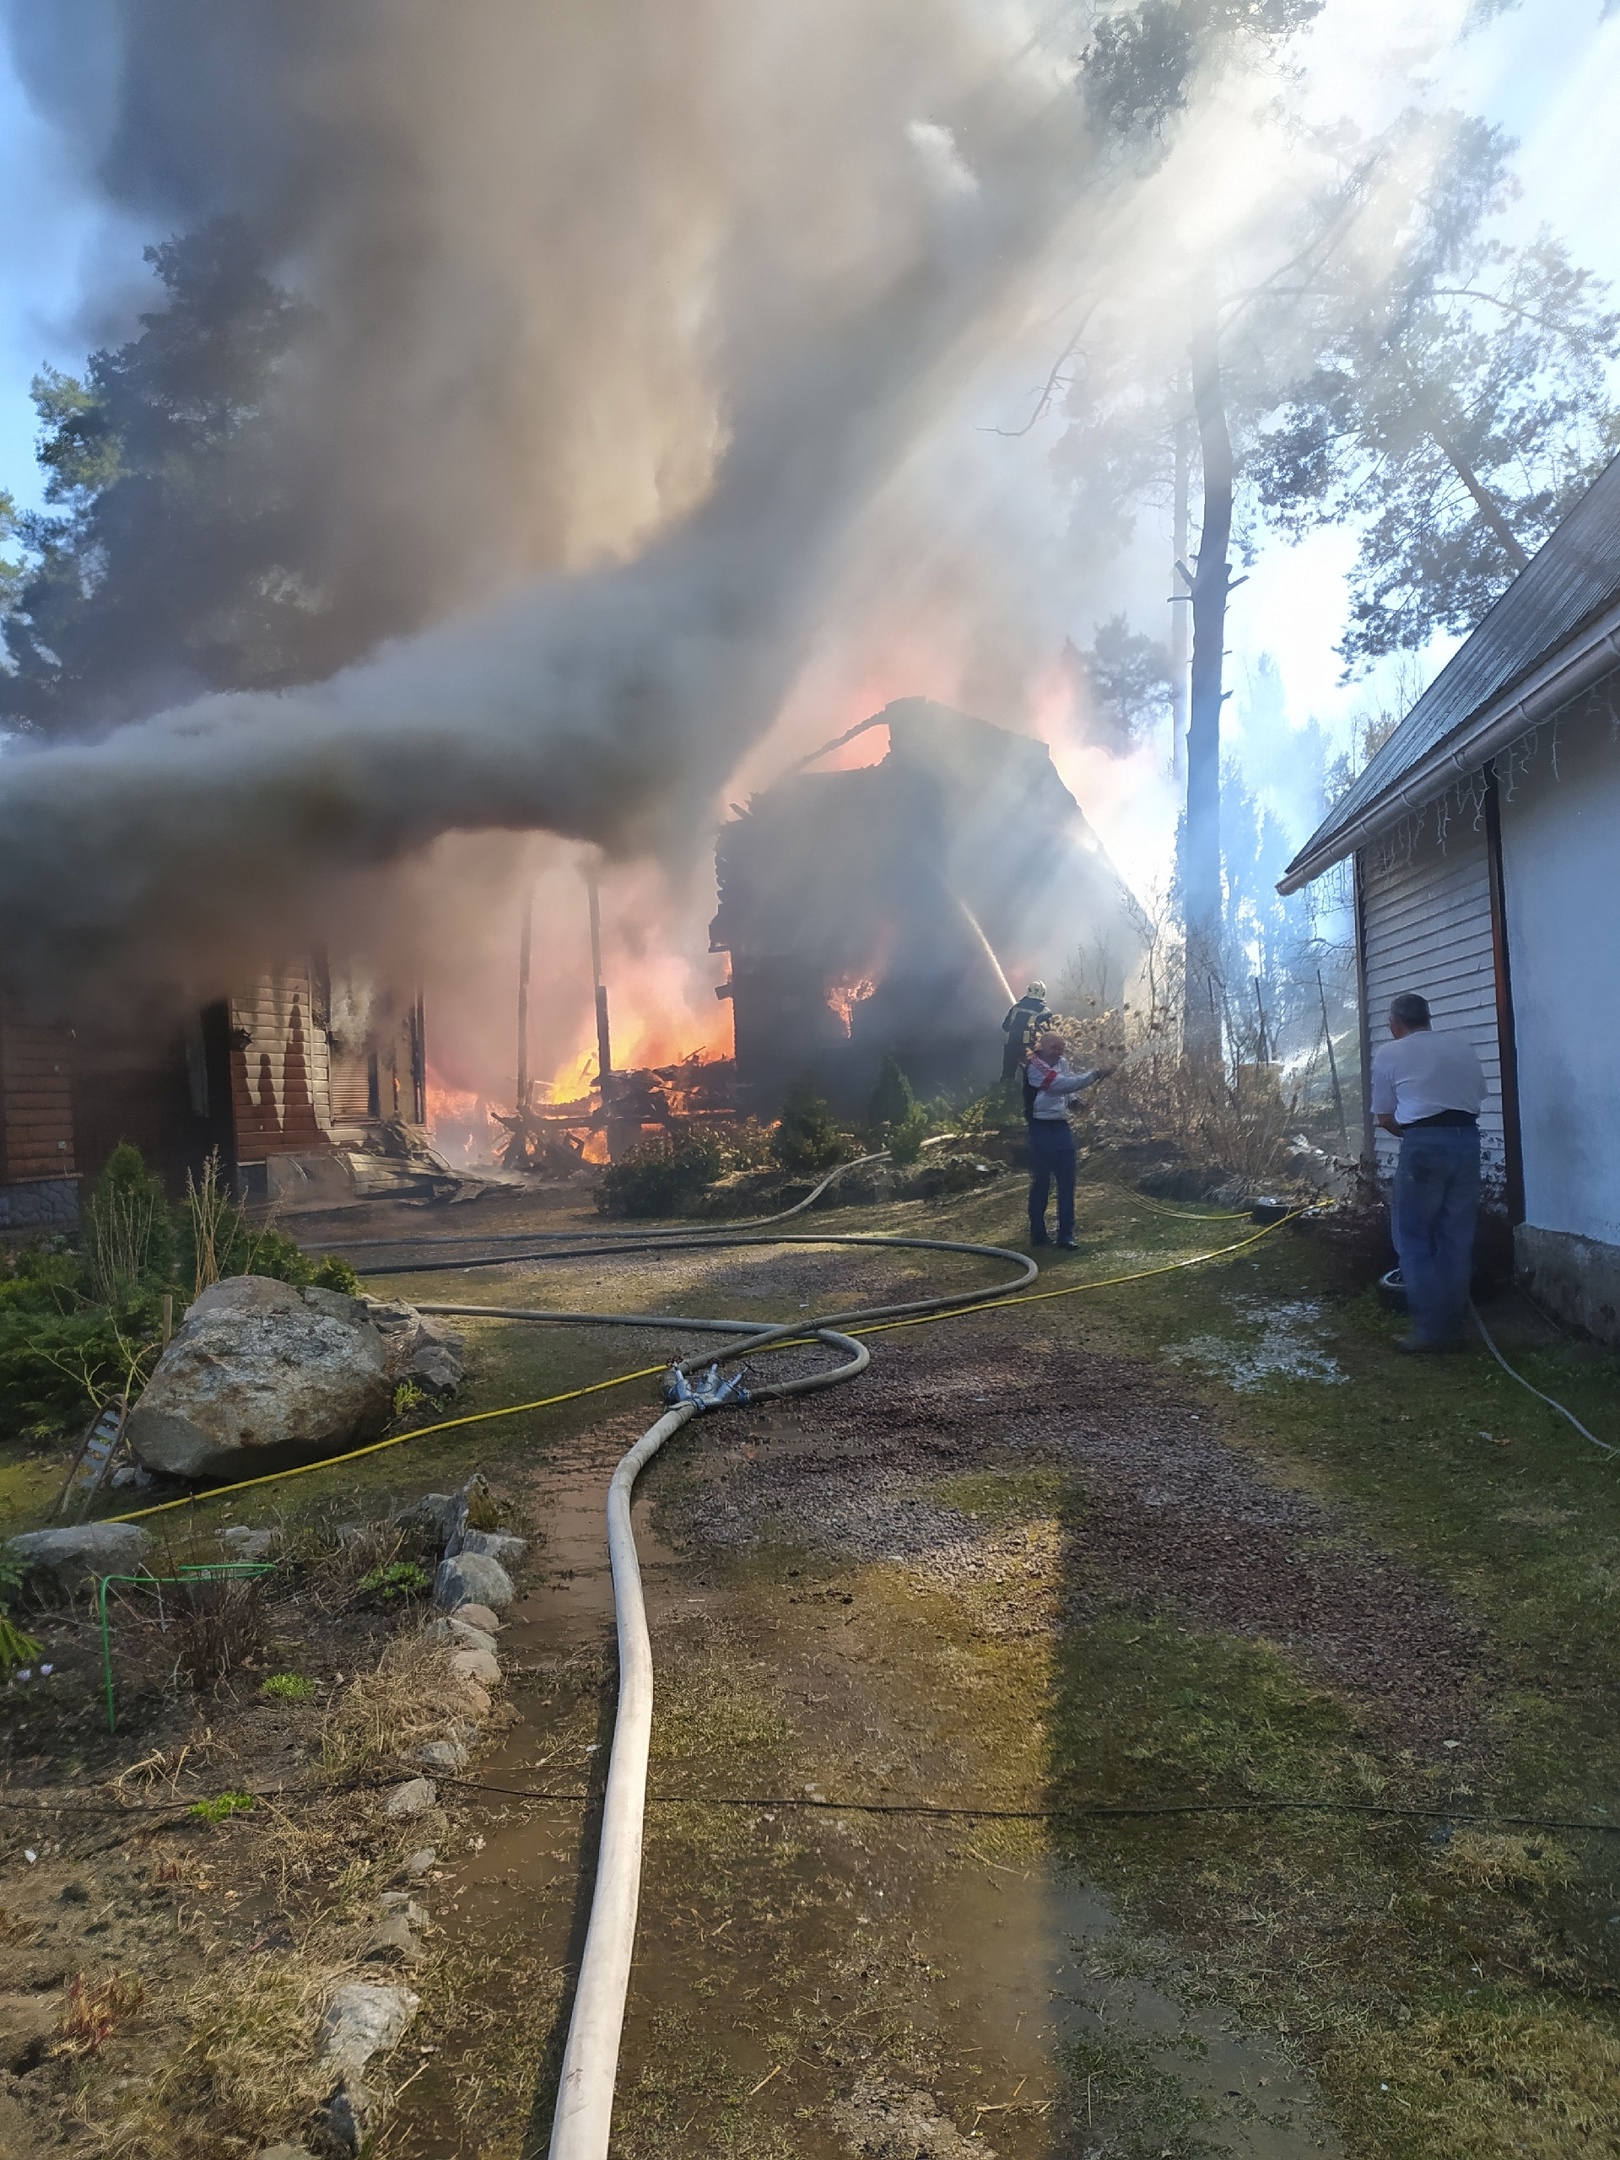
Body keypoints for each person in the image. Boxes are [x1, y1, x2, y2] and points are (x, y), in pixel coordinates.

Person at [1369, 990, 1485, 1353]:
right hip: (1467, 1142)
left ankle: (1433, 1333)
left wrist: (1420, 1137)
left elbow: (1385, 1118)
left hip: (1423, 1145)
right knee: (1455, 1238)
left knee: (1413, 1238)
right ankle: (1453, 1327)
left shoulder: (1390, 1053)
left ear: (1394, 1025)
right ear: (1428, 1019)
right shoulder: (1461, 1048)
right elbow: (1476, 1099)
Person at [1025, 1030, 1108, 1248]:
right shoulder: (1034, 1065)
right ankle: (1038, 1233)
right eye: (1054, 1047)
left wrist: (1076, 1104)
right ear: (1042, 1046)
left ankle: (1066, 1235)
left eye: (1061, 1047)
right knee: (1042, 1182)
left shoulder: (1062, 1062)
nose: (1059, 1052)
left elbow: (1068, 1090)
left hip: (1061, 1127)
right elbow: (1059, 1085)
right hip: (1040, 1128)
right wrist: (1095, 1074)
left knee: (1067, 1182)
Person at [1001, 980, 1052, 1094]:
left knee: (1007, 1076)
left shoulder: (1016, 1008)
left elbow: (1005, 1026)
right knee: (1031, 1077)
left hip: (1010, 1045)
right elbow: (1047, 1032)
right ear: (1043, 994)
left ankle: (1001, 1098)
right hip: (1029, 1049)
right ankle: (1024, 1102)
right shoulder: (1044, 1011)